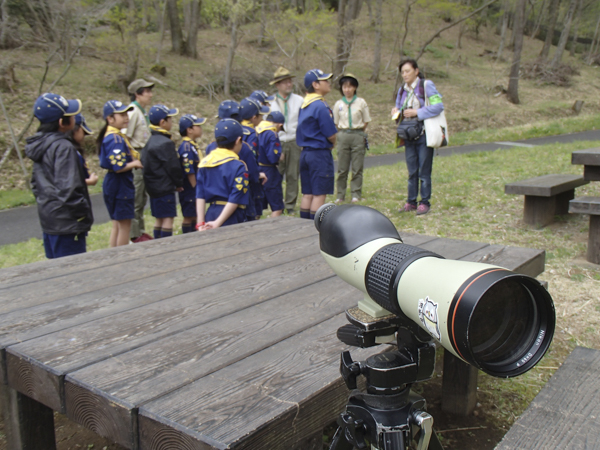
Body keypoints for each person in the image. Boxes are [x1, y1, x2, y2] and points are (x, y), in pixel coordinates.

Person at [25, 93, 93, 259]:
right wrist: (82, 214)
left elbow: (35, 183)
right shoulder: (63, 148)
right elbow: (69, 189)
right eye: (71, 115)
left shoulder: (42, 144)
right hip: (67, 224)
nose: (75, 118)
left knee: (56, 271)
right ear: (62, 122)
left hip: (50, 220)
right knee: (72, 274)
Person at [392, 58, 444, 216]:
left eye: (408, 71)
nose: (405, 74)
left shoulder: (426, 85)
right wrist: (395, 111)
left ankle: (425, 202)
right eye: (402, 72)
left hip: (423, 133)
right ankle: (411, 201)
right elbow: (398, 105)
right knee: (412, 170)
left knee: (424, 170)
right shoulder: (402, 89)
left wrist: (417, 112)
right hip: (408, 134)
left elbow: (438, 106)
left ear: (416, 70)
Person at [97, 100, 142, 247]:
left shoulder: (113, 136)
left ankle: (113, 256)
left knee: (117, 224)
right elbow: (119, 166)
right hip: (119, 182)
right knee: (124, 226)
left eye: (126, 114)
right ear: (110, 119)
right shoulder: (115, 139)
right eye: (121, 114)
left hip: (114, 181)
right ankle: (121, 257)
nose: (126, 117)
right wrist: (134, 163)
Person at [296, 69, 337, 220]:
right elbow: (330, 133)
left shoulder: (304, 105)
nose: (328, 83)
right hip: (319, 153)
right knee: (319, 193)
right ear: (315, 85)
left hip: (305, 153)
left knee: (308, 193)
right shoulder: (320, 106)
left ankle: (303, 225)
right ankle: (315, 228)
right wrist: (333, 142)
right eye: (325, 80)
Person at [196, 119, 250, 229]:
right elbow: (235, 198)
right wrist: (218, 222)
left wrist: (200, 222)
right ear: (238, 140)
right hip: (231, 216)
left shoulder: (205, 164)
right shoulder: (238, 166)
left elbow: (200, 195)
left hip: (210, 214)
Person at [142, 104, 183, 239]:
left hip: (153, 187)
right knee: (168, 219)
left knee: (159, 218)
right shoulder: (165, 143)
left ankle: (157, 243)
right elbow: (173, 167)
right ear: (162, 122)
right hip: (164, 187)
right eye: (170, 119)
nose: (172, 122)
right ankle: (165, 245)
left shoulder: (150, 141)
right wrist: (179, 182)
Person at [269, 67, 304, 215]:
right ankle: (276, 206)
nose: (288, 85)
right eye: (284, 82)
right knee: (275, 175)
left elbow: (303, 122)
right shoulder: (270, 102)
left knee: (293, 175)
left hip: (294, 141)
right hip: (277, 141)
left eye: (290, 81)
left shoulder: (299, 100)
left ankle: (290, 205)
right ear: (277, 85)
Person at [333, 73, 371, 204]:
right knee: (342, 168)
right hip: (343, 135)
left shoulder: (361, 102)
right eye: (344, 87)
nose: (347, 89)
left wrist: (358, 131)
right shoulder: (338, 104)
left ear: (354, 88)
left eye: (350, 87)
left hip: (357, 135)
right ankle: (340, 194)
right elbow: (336, 123)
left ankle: (356, 193)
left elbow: (366, 121)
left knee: (357, 167)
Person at [124, 78, 155, 242]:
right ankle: (133, 234)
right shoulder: (132, 112)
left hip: (144, 156)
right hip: (136, 155)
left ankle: (140, 230)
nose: (150, 95)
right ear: (137, 94)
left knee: (142, 197)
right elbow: (125, 138)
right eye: (147, 91)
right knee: (136, 196)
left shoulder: (143, 112)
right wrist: (132, 159)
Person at [240, 97, 270, 219]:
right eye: (260, 115)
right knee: (253, 212)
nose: (262, 118)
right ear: (254, 117)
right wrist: (256, 174)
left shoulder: (236, 129)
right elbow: (251, 157)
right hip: (249, 178)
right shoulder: (251, 133)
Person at [178, 114, 206, 233]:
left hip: (194, 187)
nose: (200, 128)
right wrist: (196, 188)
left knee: (194, 214)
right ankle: (187, 236)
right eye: (197, 126)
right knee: (189, 216)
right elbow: (189, 170)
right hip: (190, 188)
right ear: (189, 130)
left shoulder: (192, 146)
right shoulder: (186, 148)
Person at [256, 111, 285, 217]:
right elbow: (273, 157)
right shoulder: (272, 134)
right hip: (269, 172)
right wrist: (280, 157)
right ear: (279, 124)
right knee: (277, 207)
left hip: (257, 169)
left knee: (258, 207)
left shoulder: (257, 130)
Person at [67, 113, 99, 187]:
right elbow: (67, 180)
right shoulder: (69, 152)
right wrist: (89, 181)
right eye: (84, 132)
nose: (84, 136)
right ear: (75, 130)